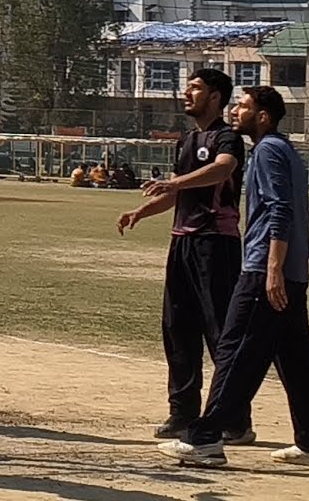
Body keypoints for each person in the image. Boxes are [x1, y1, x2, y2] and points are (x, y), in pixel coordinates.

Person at [159, 87, 309, 469]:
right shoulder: (283, 150)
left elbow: (280, 210)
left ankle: (206, 437)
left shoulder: (269, 150)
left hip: (265, 269)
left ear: (263, 116)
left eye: (243, 107)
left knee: (236, 349)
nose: (235, 111)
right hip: (293, 270)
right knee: (295, 357)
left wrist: (272, 268)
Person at [117, 68, 253, 443]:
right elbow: (178, 193)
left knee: (220, 331)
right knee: (178, 328)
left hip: (216, 242)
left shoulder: (227, 137)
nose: (186, 93)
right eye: (188, 87)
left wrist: (174, 181)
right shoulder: (188, 138)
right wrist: (141, 211)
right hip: (183, 242)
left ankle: (235, 420)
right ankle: (183, 413)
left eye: (195, 88)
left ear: (215, 96)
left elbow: (222, 170)